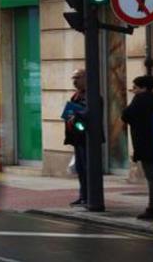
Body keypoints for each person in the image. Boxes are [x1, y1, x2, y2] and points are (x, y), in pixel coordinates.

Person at [122, 75, 153, 220]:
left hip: (144, 144)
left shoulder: (139, 100)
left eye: (135, 87)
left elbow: (125, 115)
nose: (133, 90)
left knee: (151, 177)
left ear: (143, 88)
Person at [62, 69, 89, 206]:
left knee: (87, 168)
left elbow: (88, 114)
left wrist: (76, 115)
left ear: (85, 78)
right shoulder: (76, 95)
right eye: (73, 77)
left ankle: (89, 196)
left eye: (77, 77)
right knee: (80, 168)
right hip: (77, 137)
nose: (74, 81)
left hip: (87, 137)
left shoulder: (91, 95)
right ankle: (83, 195)